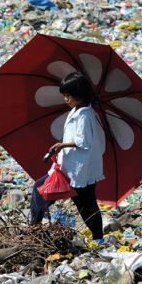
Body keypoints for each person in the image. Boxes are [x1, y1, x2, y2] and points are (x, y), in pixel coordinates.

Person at [30, 71, 105, 240]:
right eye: (64, 95)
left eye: (68, 95)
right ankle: (34, 228)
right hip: (71, 166)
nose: (65, 99)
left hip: (80, 169)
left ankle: (99, 238)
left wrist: (60, 145)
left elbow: (83, 141)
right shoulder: (78, 111)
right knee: (43, 190)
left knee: (85, 205)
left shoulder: (85, 114)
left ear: (79, 95)